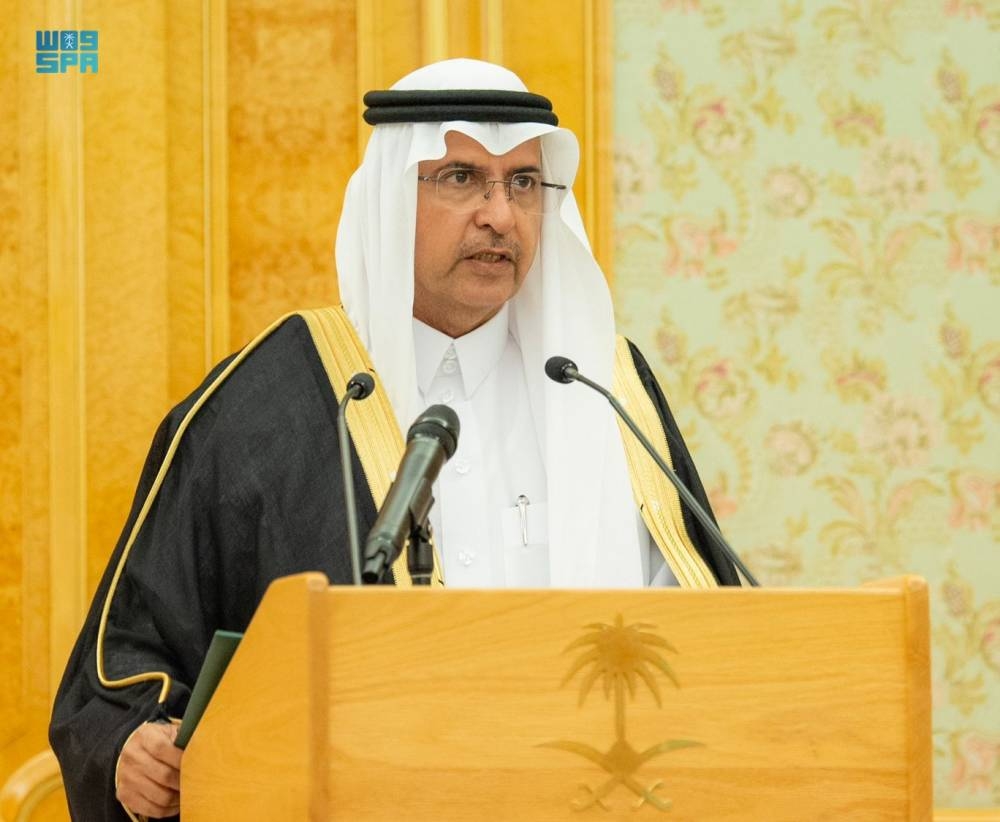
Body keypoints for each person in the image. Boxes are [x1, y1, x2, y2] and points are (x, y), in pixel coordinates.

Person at [50, 59, 739, 820]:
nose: (500, 216)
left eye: (522, 183)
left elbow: (703, 633)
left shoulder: (602, 388)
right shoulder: (270, 406)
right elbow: (124, 661)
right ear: (389, 197)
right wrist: (132, 749)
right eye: (462, 179)